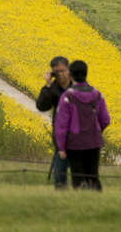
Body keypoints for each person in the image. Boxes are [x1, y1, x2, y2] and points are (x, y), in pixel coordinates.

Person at [53, 60, 110, 191]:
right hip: (94, 142)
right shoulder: (97, 95)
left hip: (74, 143)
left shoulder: (67, 97)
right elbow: (105, 120)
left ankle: (81, 205)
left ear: (71, 76)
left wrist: (61, 148)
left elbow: (62, 125)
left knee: (77, 178)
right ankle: (98, 205)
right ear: (86, 74)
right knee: (93, 177)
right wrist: (95, 131)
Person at [35, 56, 74, 189]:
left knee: (82, 177)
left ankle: (84, 201)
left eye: (62, 70)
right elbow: (41, 106)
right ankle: (62, 202)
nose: (60, 74)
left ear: (68, 70)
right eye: (56, 72)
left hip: (80, 137)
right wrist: (47, 85)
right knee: (58, 176)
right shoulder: (53, 89)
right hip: (61, 138)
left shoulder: (78, 87)